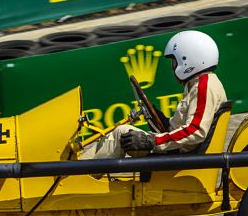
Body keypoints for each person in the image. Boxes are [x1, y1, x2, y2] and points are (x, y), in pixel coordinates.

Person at [79, 30, 228, 160]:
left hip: (181, 156)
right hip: (180, 151)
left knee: (121, 133)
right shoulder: (199, 83)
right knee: (124, 133)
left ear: (187, 60)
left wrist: (152, 141)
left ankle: (76, 176)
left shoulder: (204, 86)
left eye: (174, 62)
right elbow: (187, 126)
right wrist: (161, 119)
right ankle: (76, 169)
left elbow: (195, 131)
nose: (173, 67)